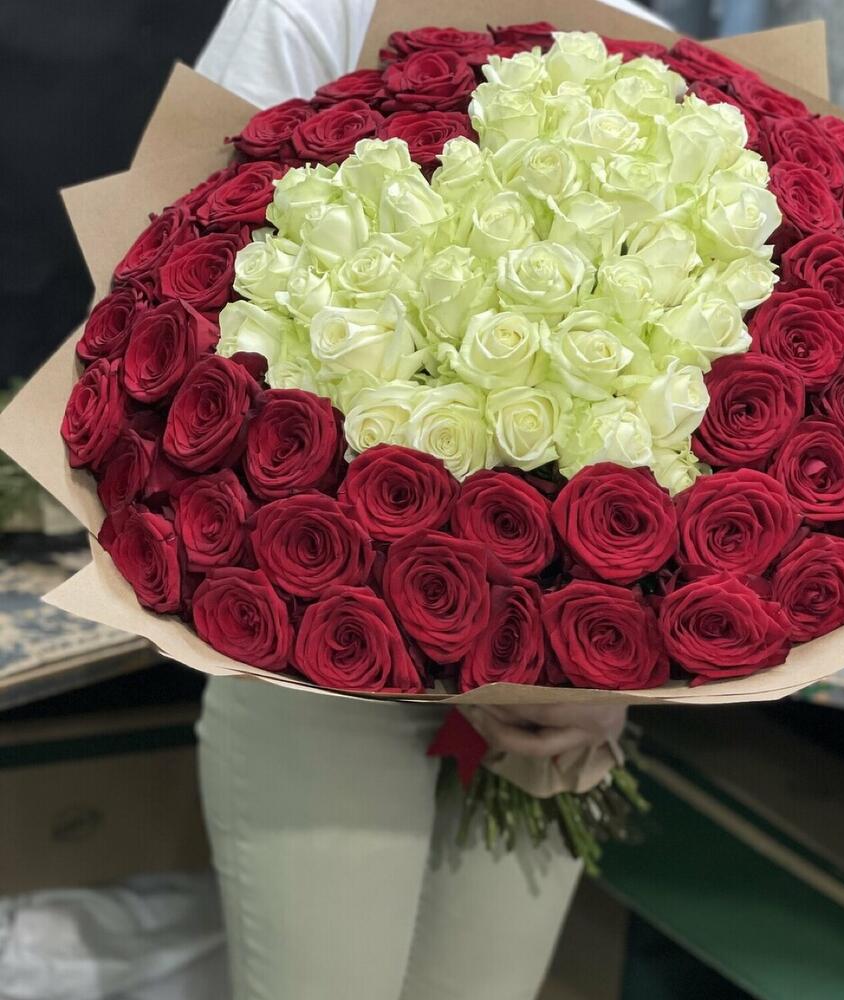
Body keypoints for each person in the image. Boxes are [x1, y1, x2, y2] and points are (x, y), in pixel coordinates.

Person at [194, 2, 668, 997]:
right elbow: (184, 289)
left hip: (554, 694)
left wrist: (605, 648)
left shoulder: (632, 36)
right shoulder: (306, 13)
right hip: (316, 658)